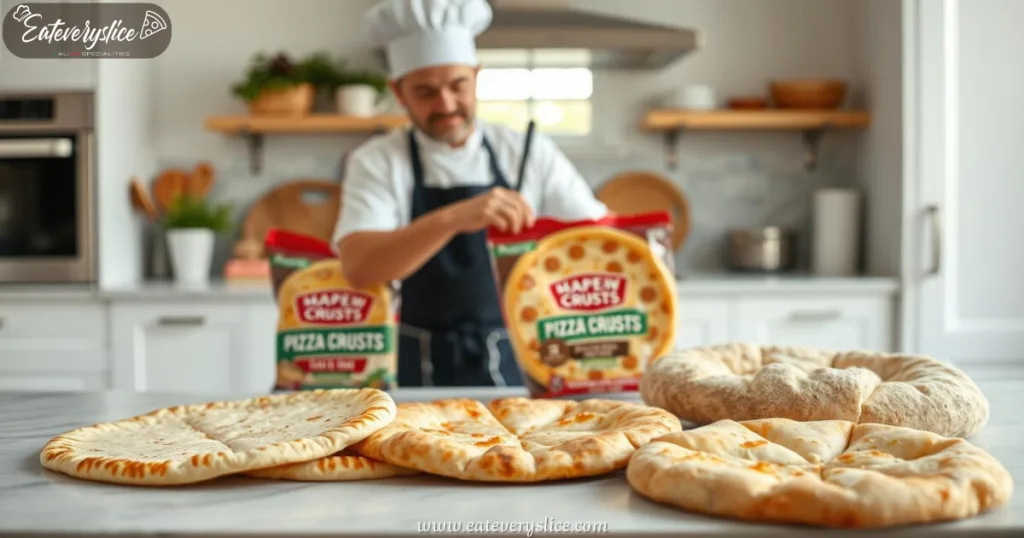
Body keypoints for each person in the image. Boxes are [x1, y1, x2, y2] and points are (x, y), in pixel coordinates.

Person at [333, 0, 608, 388]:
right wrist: (454, 218)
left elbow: (599, 240)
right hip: (412, 366)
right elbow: (359, 267)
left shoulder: (527, 150)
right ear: (399, 92)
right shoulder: (377, 160)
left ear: (477, 76)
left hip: (522, 360)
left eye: (457, 85)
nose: (446, 104)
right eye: (425, 92)